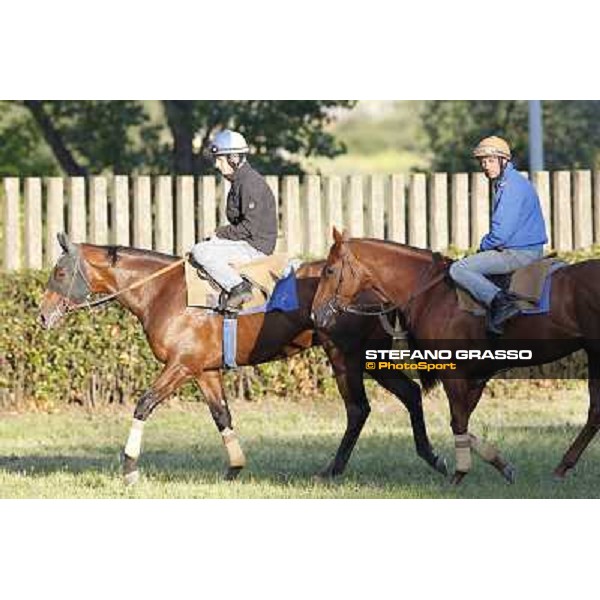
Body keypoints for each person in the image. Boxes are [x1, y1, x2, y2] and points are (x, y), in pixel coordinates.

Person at [448, 136, 548, 334]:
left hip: (518, 253)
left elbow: (500, 234)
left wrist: (481, 248)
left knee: (458, 269)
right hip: (521, 249)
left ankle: (500, 301)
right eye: (483, 162)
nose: (486, 166)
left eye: (491, 160)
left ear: (504, 160)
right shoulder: (507, 181)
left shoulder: (510, 186)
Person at [190, 130, 278, 310]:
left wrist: (219, 233)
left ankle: (238, 287)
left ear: (234, 158)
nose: (217, 165)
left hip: (255, 247)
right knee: (207, 246)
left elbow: (249, 228)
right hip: (246, 242)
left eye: (220, 160)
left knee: (200, 251)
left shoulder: (250, 184)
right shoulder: (240, 181)